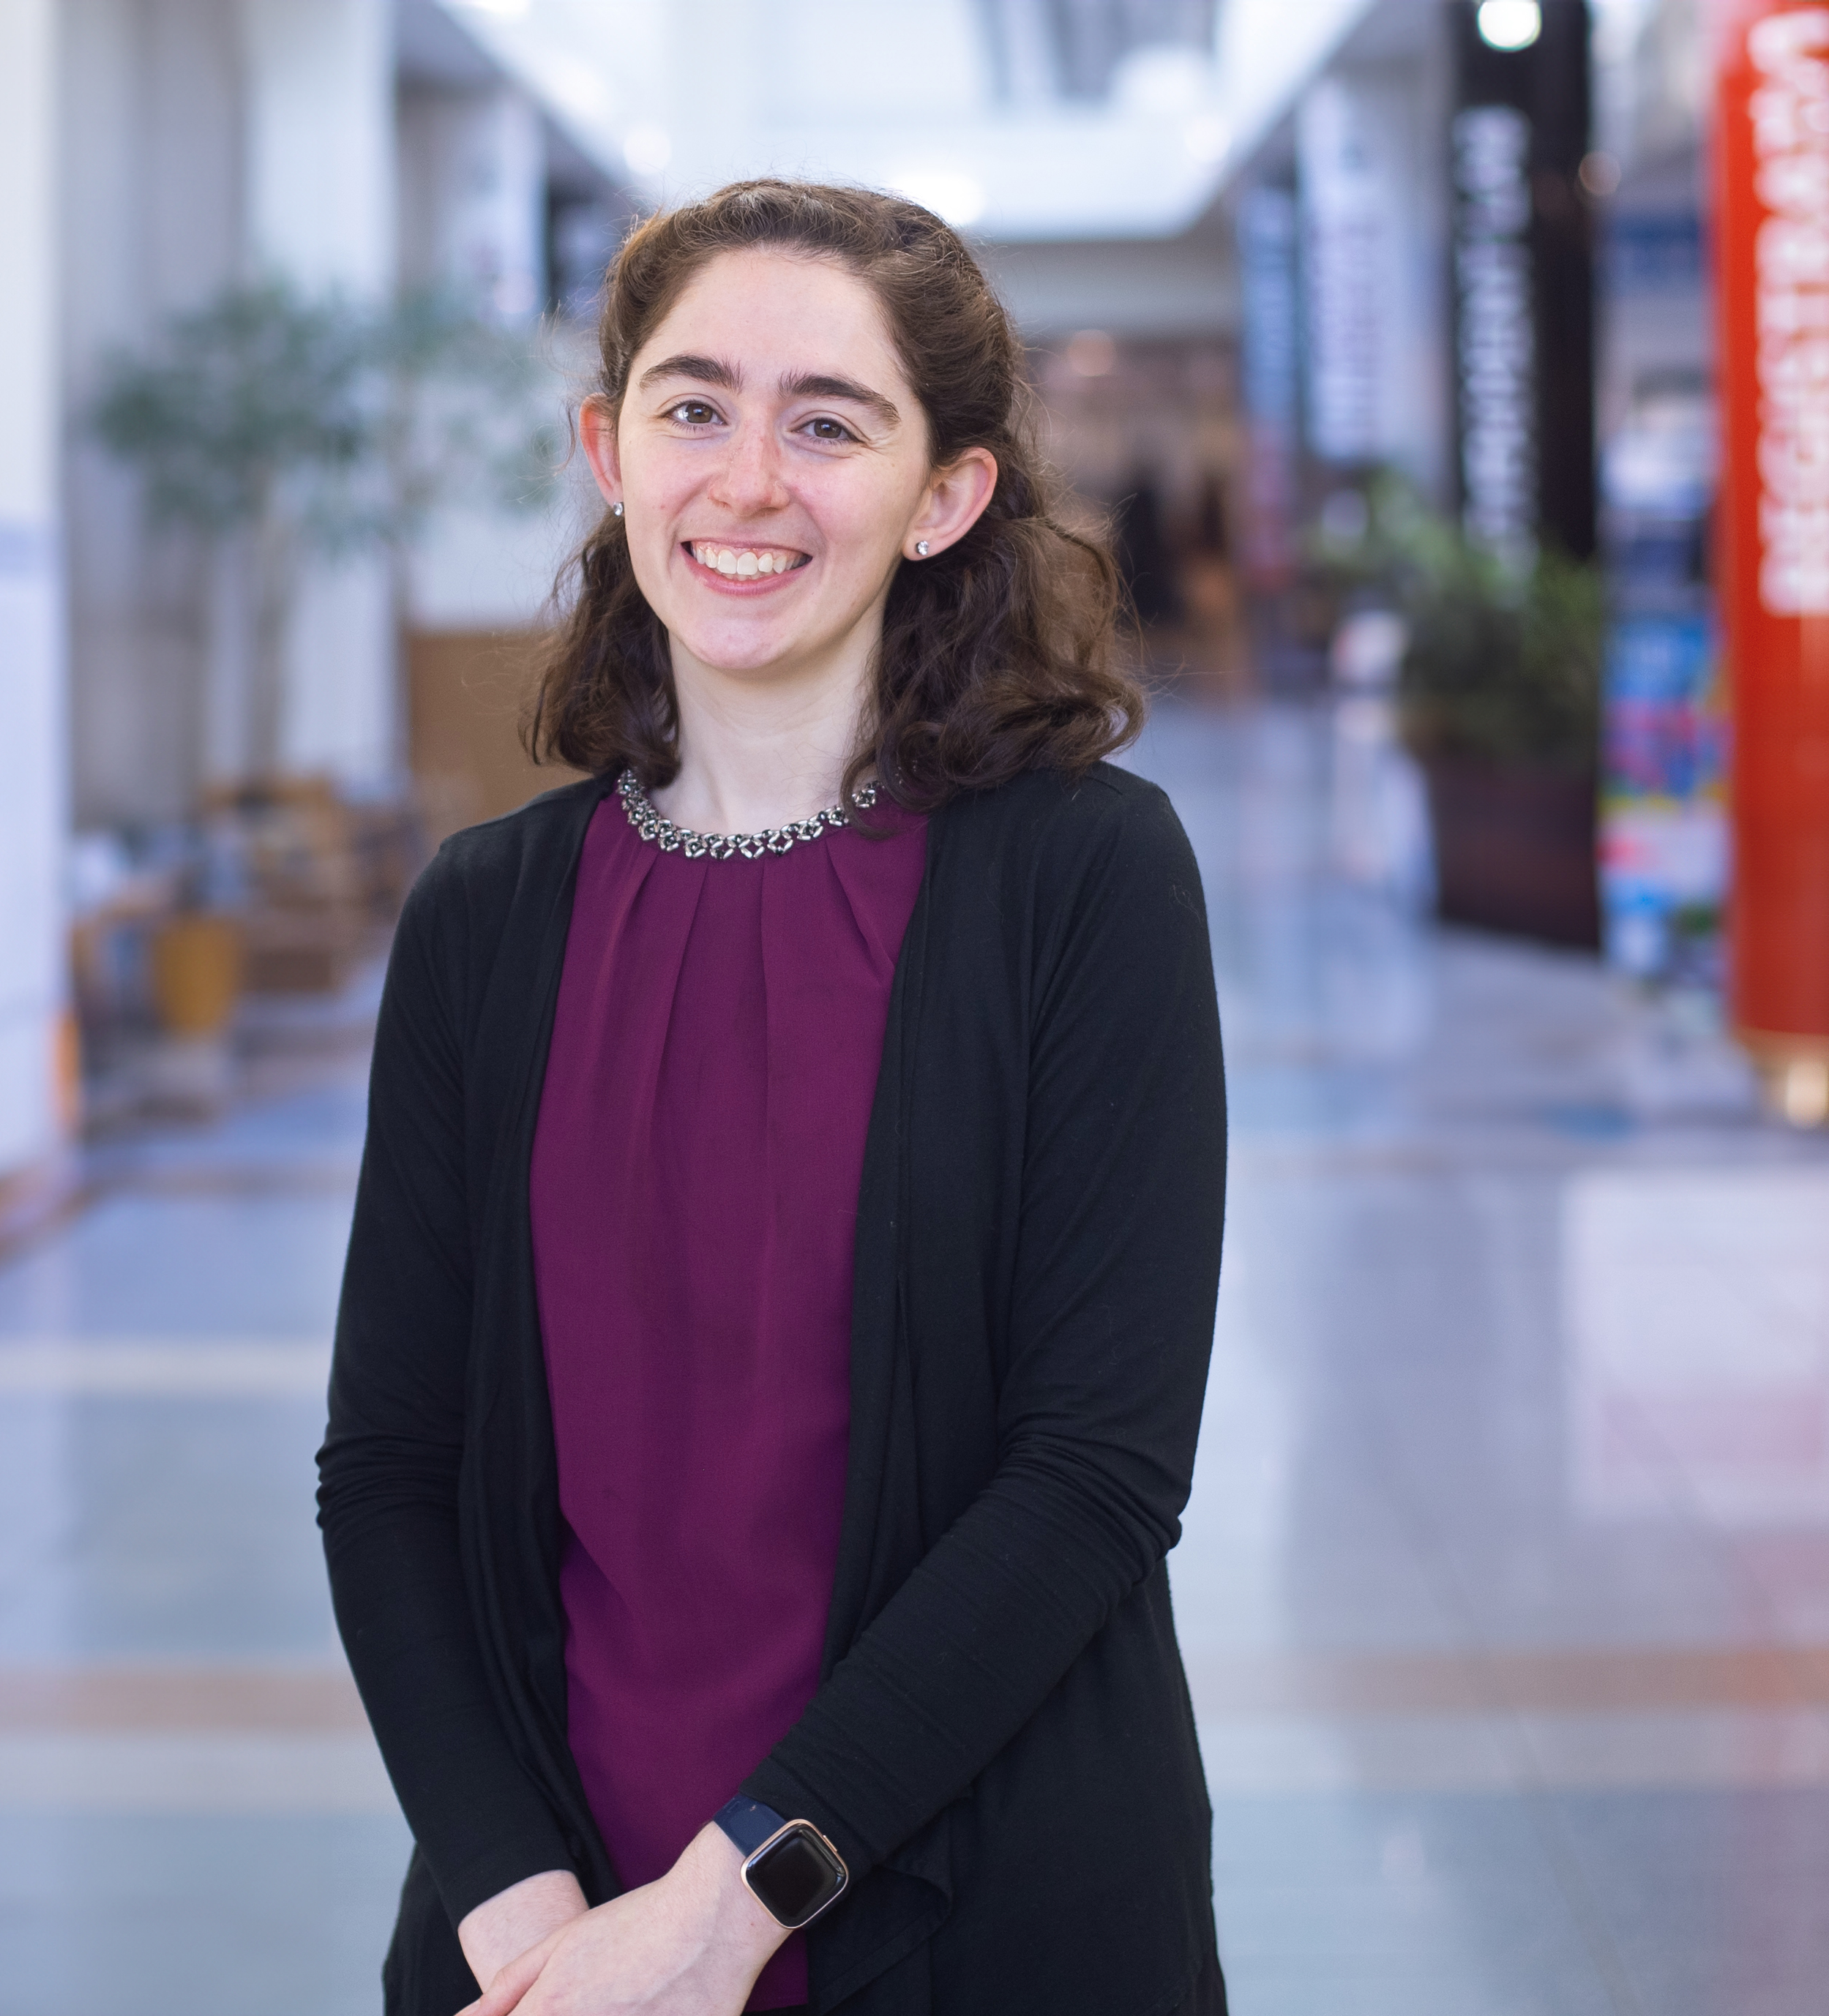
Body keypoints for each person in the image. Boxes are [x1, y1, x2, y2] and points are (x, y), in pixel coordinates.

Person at [317, 179, 1227, 2016]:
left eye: (829, 424)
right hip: (548, 1934)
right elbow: (391, 1474)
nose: (747, 480)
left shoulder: (1086, 881)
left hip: (984, 1911)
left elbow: (1095, 1475)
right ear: (607, 450)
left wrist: (728, 1908)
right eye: (693, 406)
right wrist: (528, 1921)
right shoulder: (486, 919)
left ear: (945, 494)